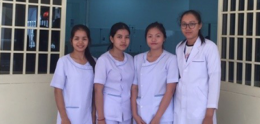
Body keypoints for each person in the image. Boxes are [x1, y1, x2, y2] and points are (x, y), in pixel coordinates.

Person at [174, 10, 221, 124]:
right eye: (184, 24)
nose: (187, 28)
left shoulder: (209, 47)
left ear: (199, 25)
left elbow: (214, 80)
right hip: (180, 105)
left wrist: (209, 114)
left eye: (192, 24)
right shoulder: (179, 47)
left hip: (201, 107)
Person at [131, 22, 178, 124]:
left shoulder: (170, 59)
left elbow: (170, 91)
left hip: (162, 115)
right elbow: (134, 88)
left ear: (164, 38)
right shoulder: (137, 59)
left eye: (158, 36)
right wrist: (135, 114)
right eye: (150, 36)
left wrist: (157, 118)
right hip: (141, 113)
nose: (153, 39)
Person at [50, 24, 96, 124]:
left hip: (87, 115)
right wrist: (64, 117)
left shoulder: (94, 62)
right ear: (71, 41)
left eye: (84, 39)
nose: (80, 42)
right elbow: (57, 91)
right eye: (77, 39)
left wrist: (93, 115)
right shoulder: (64, 62)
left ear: (88, 41)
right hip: (69, 116)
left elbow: (95, 92)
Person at [94, 22, 134, 124]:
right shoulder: (104, 60)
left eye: (127, 37)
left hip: (126, 114)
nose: (123, 41)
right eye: (119, 37)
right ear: (112, 39)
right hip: (108, 114)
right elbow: (98, 91)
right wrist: (101, 118)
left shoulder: (130, 59)